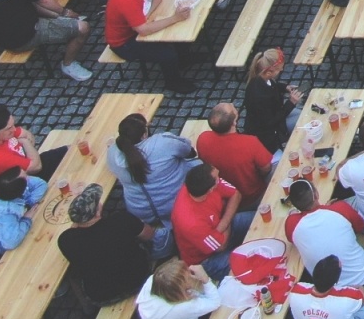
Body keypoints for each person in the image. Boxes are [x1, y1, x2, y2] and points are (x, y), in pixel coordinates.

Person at [286, 179, 364, 289]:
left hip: (329, 287)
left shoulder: (291, 224)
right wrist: (330, 210)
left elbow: (293, 234)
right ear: (316, 194)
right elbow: (361, 226)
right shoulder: (339, 208)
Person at [105, 0, 195, 92]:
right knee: (167, 54)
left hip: (137, 26)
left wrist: (145, 15)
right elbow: (143, 30)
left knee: (174, 32)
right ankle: (173, 82)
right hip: (124, 43)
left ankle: (184, 59)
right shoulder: (126, 0)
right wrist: (174, 18)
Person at [108, 113, 196, 249]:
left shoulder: (112, 153)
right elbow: (188, 150)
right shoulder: (162, 142)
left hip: (139, 210)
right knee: (198, 165)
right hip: (174, 202)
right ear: (144, 134)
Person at [58, 182, 154, 307]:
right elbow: (149, 235)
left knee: (72, 274)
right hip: (140, 278)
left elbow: (74, 234)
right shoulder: (121, 220)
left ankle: (86, 309)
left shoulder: (66, 240)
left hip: (101, 296)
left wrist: (77, 223)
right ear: (97, 212)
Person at [171, 163, 252, 281]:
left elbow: (236, 194)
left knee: (258, 220)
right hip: (206, 260)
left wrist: (222, 225)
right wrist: (226, 220)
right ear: (210, 189)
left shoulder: (200, 185)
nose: (220, 179)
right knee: (248, 263)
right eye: (217, 178)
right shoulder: (191, 222)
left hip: (221, 230)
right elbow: (220, 246)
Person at [0, 104, 67, 189]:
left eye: (13, 125)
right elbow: (36, 167)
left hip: (27, 165)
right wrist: (25, 143)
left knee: (70, 150)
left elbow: (28, 135)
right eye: (9, 128)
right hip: (19, 186)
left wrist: (29, 150)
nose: (15, 129)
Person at [288, 255, 364, 319]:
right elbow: (362, 292)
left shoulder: (295, 292)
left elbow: (294, 285)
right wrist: (348, 287)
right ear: (336, 281)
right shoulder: (347, 298)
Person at [195, 103, 272, 204]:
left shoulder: (203, 139)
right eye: (233, 109)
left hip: (226, 196)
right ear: (234, 123)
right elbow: (266, 168)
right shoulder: (250, 142)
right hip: (254, 195)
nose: (232, 104)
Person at [244, 48, 303, 152]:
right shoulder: (259, 96)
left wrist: (285, 87)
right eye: (279, 68)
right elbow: (271, 122)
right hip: (268, 133)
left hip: (276, 116)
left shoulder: (262, 79)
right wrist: (291, 103)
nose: (281, 70)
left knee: (302, 114)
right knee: (301, 121)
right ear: (268, 72)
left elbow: (273, 86)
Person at [136, 260, 222, 319]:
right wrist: (205, 278)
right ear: (178, 290)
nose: (190, 276)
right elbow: (215, 302)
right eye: (187, 278)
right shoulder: (182, 307)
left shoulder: (152, 282)